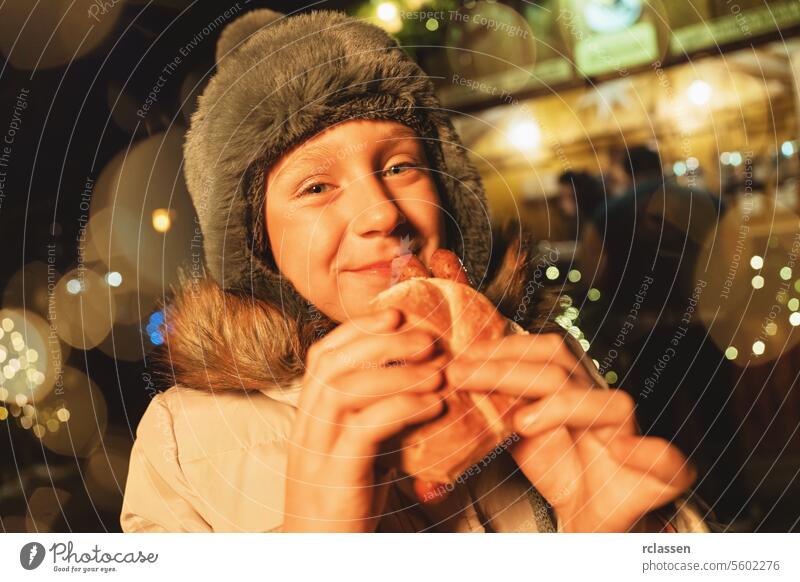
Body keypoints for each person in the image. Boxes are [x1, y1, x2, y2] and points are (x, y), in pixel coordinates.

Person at [119, 9, 707, 533]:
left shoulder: (541, 363)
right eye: (316, 186)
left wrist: (615, 538)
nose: (381, 211)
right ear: (259, 245)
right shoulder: (183, 441)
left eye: (401, 166)